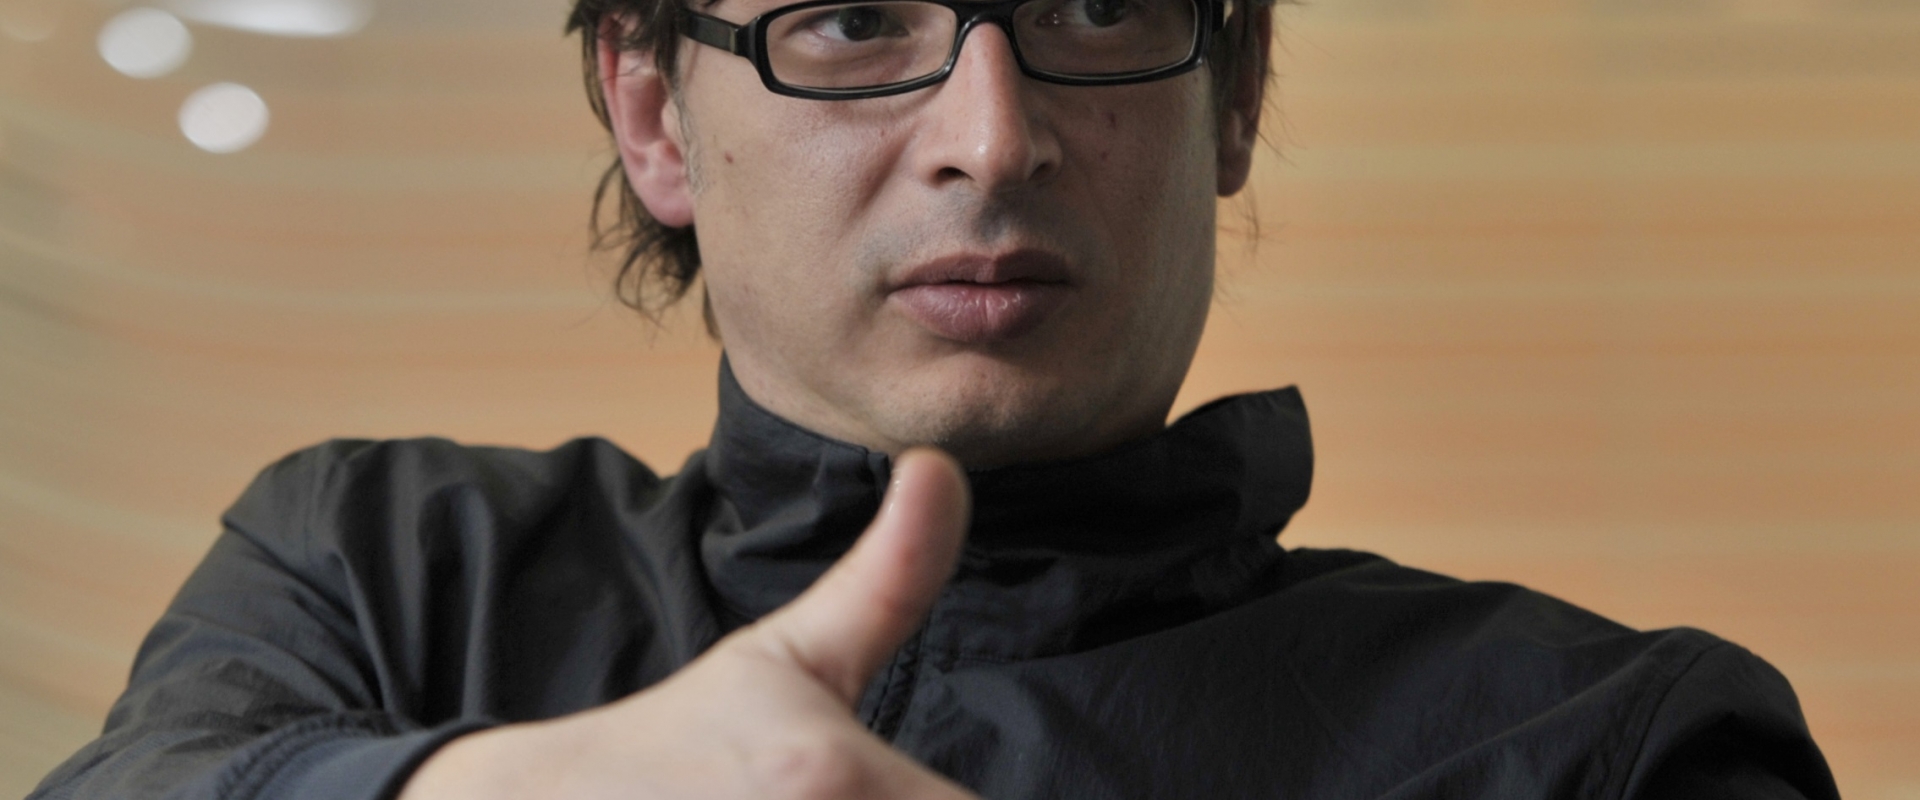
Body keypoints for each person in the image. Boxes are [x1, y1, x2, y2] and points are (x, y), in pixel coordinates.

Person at [32, 0, 1840, 796]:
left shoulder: (1600, 746)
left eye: (1096, 2)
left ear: (1236, 95)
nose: (993, 135)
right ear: (654, 112)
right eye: (851, 21)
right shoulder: (386, 571)